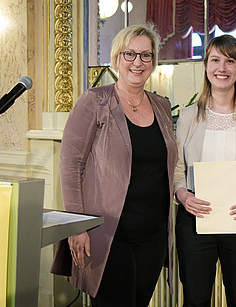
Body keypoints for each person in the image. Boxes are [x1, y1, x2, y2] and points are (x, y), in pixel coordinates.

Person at [50, 24, 178, 306]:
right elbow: (71, 165)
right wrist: (76, 226)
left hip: (153, 235)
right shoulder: (94, 101)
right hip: (108, 234)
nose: (138, 62)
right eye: (130, 53)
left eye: (146, 55)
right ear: (117, 58)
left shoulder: (161, 106)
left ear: (154, 62)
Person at [174, 34, 236, 307]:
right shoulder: (189, 116)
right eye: (215, 60)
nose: (222, 68)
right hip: (194, 218)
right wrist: (182, 196)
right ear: (205, 66)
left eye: (229, 61)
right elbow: (177, 169)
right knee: (195, 299)